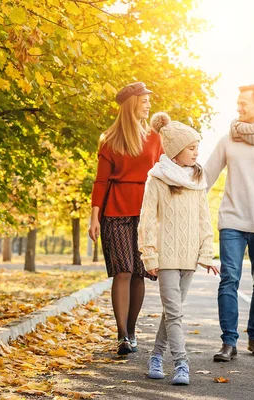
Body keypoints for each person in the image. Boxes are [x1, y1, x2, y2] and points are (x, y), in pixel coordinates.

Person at [204, 84, 254, 361]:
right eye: (238, 102)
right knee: (229, 280)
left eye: (244, 103)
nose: (238, 107)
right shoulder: (228, 140)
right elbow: (206, 176)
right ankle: (228, 342)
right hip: (232, 220)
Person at [138, 112, 219, 385]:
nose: (197, 152)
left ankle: (156, 356)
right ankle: (182, 365)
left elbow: (203, 220)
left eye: (198, 146)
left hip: (190, 257)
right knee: (175, 313)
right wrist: (149, 254)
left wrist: (206, 254)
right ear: (175, 151)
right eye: (192, 147)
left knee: (171, 311)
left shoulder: (198, 181)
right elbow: (147, 221)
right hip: (166, 256)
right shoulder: (157, 180)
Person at [89, 82, 162, 356]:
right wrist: (94, 217)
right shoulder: (110, 140)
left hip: (146, 213)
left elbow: (163, 172)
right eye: (144, 101)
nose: (148, 105)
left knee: (139, 273)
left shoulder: (156, 138)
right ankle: (121, 336)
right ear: (132, 103)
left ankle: (131, 331)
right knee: (123, 270)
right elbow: (101, 181)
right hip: (115, 211)